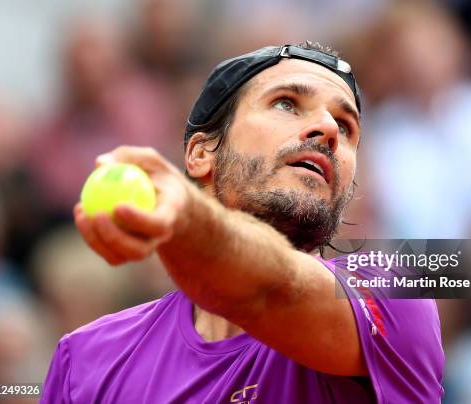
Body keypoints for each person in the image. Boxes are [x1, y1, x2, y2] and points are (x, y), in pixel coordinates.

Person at [40, 42, 444, 403]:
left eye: (345, 125)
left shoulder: (395, 297)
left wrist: (188, 220)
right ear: (201, 153)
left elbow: (271, 289)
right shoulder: (86, 363)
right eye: (286, 103)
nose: (328, 130)